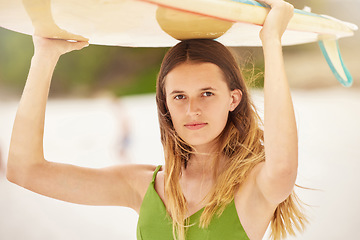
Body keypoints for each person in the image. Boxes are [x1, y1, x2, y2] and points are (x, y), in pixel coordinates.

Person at [6, 0, 307, 239]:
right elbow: (25, 171)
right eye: (179, 96)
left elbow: (283, 166)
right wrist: (44, 56)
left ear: (233, 99)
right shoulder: (141, 186)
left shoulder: (253, 188)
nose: (192, 109)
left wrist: (271, 41)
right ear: (165, 105)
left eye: (206, 93)